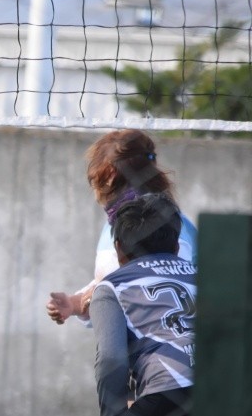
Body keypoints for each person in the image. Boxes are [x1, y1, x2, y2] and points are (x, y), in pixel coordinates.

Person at [46, 129, 197, 324]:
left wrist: (95, 297)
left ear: (108, 172)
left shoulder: (160, 227)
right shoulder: (124, 221)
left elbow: (163, 293)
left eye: (93, 174)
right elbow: (114, 282)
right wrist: (75, 303)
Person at [90, 193, 195, 416]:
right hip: (227, 384)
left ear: (118, 249)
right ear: (177, 246)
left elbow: (111, 359)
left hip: (167, 387)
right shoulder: (201, 275)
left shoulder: (113, 287)